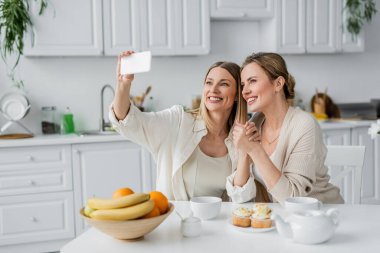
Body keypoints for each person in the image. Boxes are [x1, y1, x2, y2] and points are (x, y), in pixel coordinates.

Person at [109, 51, 256, 202]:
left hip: (217, 222)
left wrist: (245, 151)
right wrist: (123, 84)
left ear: (238, 94)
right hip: (174, 220)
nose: (213, 89)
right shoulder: (177, 122)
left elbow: (241, 198)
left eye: (224, 84)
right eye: (209, 82)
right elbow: (128, 121)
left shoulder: (240, 138)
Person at [232, 52, 344, 204]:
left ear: (278, 84)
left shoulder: (304, 125)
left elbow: (293, 198)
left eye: (252, 81)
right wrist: (244, 152)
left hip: (321, 216)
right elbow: (239, 195)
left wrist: (254, 150)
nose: (244, 91)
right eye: (243, 85)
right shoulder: (255, 123)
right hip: (280, 218)